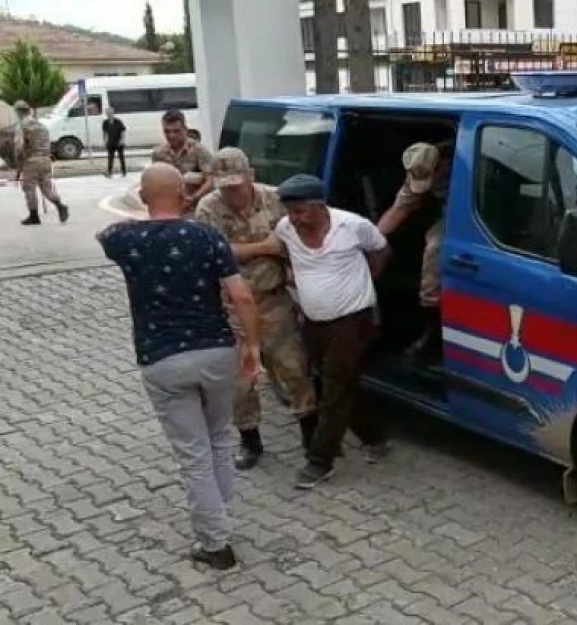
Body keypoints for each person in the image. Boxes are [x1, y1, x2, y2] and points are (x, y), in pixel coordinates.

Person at [96, 163, 262, 570]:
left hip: (163, 359)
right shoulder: (208, 236)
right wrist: (253, 345)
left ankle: (216, 544)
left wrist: (146, 202)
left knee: (193, 453)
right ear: (185, 196)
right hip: (217, 352)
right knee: (220, 437)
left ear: (144, 195)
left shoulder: (123, 239)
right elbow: (241, 295)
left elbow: (108, 229)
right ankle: (217, 515)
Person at [194, 148, 318, 470]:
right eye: (224, 186)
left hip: (273, 299)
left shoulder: (276, 200)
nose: (231, 193)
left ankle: (310, 435)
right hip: (231, 308)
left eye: (236, 184)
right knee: (239, 381)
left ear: (251, 175)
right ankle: (250, 441)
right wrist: (264, 247)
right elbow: (213, 253)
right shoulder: (209, 208)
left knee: (293, 368)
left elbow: (300, 239)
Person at [272, 174, 392, 489]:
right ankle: (375, 436)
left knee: (333, 387)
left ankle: (319, 461)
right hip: (314, 322)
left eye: (300, 211)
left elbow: (381, 251)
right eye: (290, 211)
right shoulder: (286, 229)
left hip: (353, 320)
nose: (293, 219)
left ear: (319, 206)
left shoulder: (353, 226)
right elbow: (285, 256)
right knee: (346, 381)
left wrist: (365, 284)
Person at [375, 141, 453, 365]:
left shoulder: (468, 160)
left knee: (435, 248)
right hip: (446, 211)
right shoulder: (421, 166)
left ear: (443, 166)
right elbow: (400, 210)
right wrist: (370, 239)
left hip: (469, 212)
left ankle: (435, 332)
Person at [13, 100, 70, 226]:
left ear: (19, 112)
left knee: (29, 188)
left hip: (31, 161)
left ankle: (34, 216)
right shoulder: (42, 126)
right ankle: (60, 205)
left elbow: (19, 147)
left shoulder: (22, 126)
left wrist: (18, 166)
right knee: (46, 188)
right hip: (45, 160)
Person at [151, 109, 214, 217]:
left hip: (195, 210)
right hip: (169, 211)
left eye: (176, 131)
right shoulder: (159, 154)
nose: (171, 136)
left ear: (185, 129)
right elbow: (156, 182)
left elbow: (211, 179)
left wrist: (193, 198)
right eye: (167, 131)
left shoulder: (199, 151)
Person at [102, 107, 127, 178]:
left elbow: (123, 131)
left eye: (110, 113)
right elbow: (105, 133)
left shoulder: (118, 121)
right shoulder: (105, 122)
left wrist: (122, 140)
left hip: (119, 142)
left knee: (121, 157)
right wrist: (105, 141)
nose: (109, 114)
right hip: (111, 142)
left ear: (113, 113)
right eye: (108, 113)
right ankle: (109, 172)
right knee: (110, 158)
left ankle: (124, 172)